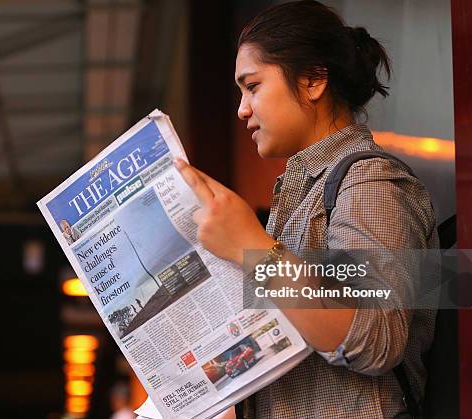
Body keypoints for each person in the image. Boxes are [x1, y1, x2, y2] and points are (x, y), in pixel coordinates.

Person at [174, 1, 438, 418]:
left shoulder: (368, 181)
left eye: (253, 86)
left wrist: (252, 248)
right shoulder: (302, 193)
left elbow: (375, 338)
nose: (242, 108)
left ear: (314, 80)